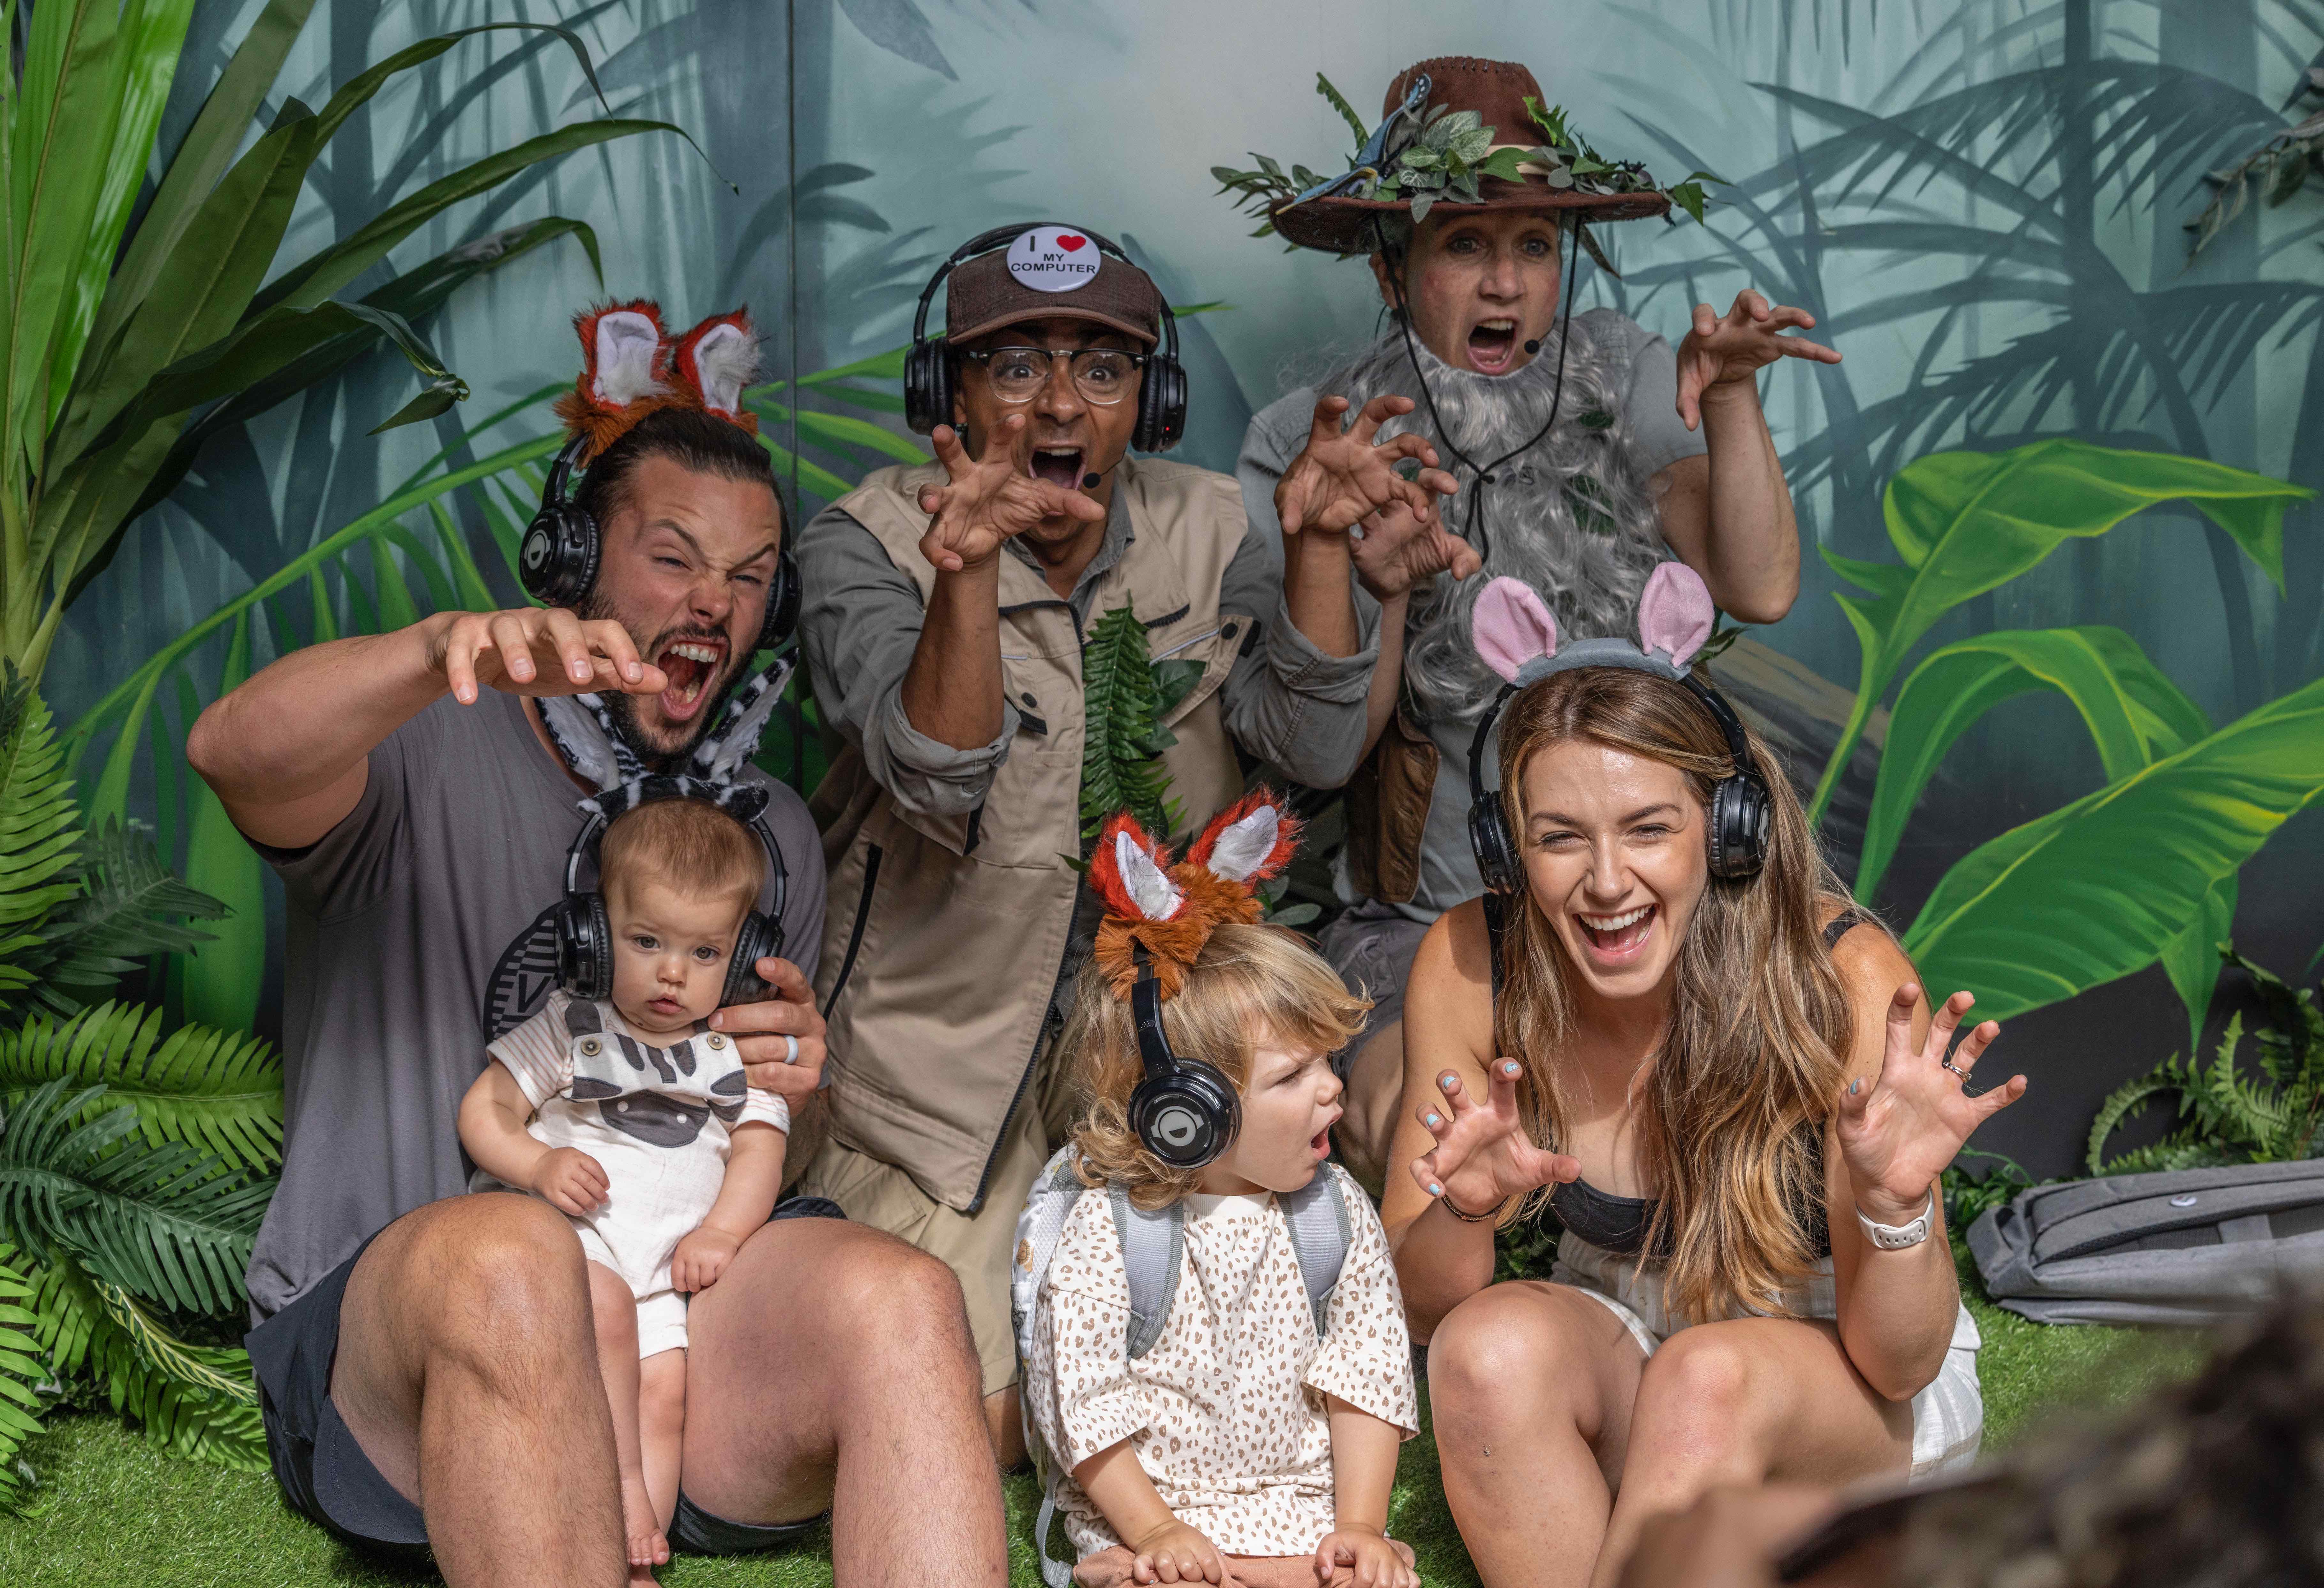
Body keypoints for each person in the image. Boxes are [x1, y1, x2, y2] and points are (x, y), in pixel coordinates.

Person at [190, 303, 1005, 1586]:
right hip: (402, 1334)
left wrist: (795, 1081)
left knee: (904, 1296)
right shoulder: (419, 744)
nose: (712, 603)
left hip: (670, 1334)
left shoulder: (765, 832)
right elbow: (231, 751)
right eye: (674, 558)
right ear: (573, 559)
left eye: (749, 578)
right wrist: (428, 652)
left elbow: (749, 1136)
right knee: (516, 1255)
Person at [795, 224, 1454, 1462]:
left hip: (1169, 1044)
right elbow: (934, 776)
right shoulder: (863, 540)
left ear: (1148, 400)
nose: (1059, 404)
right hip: (948, 1082)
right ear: (946, 392)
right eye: (1015, 367)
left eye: (1101, 370)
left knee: (1259, 1409)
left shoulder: (1213, 524)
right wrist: (965, 572)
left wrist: (1317, 555)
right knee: (963, 1409)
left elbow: (1312, 750)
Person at [1230, 57, 1844, 1190]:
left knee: (1778, 1113)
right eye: (1464, 244)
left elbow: (1757, 586)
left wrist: (1727, 402)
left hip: (1646, 913)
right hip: (1436, 923)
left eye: (1533, 245)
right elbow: (1314, 755)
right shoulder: (1306, 442)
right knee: (1411, 1132)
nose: (1505, 284)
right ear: (1389, 265)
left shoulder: (1621, 373)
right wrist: (1364, 577)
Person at [1381, 566, 2027, 1588]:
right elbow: (1422, 1314)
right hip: (1632, 1342)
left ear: (1725, 829)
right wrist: (1461, 1210)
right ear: (1507, 847)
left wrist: (1894, 1206)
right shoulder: (1471, 966)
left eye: (1648, 828)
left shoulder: (1843, 978)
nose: (1604, 882)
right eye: (1558, 838)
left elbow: (1897, 1363)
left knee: (1704, 1375)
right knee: (1481, 1349)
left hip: (1841, 1385)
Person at [1021, 794, 1419, 1588]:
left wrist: (1358, 1527)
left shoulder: (1336, 1211)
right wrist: (1158, 1529)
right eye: (1293, 1075)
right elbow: (1084, 1401)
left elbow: (1366, 1375)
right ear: (1186, 1111)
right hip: (1151, 1509)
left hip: (1302, 1514)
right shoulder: (1111, 1228)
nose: (1332, 1088)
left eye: (1328, 1061)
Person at [457, 796, 790, 1584]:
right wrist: (536, 1165)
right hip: (571, 1239)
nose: (674, 972)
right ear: (598, 936)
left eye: (705, 951)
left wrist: (723, 1232)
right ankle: (623, 1492)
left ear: (744, 954)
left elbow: (759, 1151)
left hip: (661, 1265)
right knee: (601, 1312)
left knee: (663, 1395)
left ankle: (640, 1557)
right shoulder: (572, 1023)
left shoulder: (737, 1052)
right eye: (647, 941)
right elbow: (486, 1108)